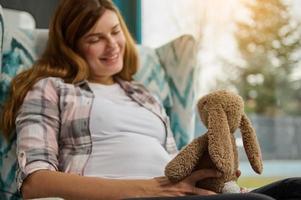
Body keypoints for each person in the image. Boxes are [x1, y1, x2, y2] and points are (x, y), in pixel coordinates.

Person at [0, 0, 299, 200]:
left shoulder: (143, 95)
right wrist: (152, 188)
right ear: (71, 47)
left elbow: (173, 163)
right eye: (94, 39)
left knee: (294, 189)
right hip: (137, 195)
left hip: (177, 192)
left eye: (115, 32)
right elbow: (35, 183)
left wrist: (214, 178)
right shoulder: (51, 89)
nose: (112, 46)